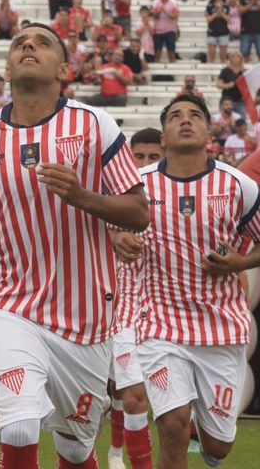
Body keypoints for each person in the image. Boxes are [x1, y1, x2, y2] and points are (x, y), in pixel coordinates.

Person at [0, 24, 148, 469]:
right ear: (8, 70)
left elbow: (139, 212)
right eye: (20, 43)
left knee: (76, 449)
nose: (29, 45)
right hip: (11, 304)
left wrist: (82, 196)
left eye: (42, 43)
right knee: (18, 427)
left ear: (64, 70)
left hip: (85, 315)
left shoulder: (94, 125)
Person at [121, 95, 260, 466]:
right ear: (163, 135)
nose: (185, 120)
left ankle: (211, 440)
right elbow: (107, 225)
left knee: (218, 445)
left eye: (195, 115)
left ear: (209, 133)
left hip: (220, 329)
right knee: (173, 426)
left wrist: (240, 262)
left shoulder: (238, 184)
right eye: (175, 116)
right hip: (160, 326)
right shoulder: (137, 185)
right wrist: (119, 237)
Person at [103, 129, 162, 469]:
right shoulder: (110, 196)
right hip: (119, 311)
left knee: (133, 395)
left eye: (153, 157)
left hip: (164, 313)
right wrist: (113, 236)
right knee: (128, 394)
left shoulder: (174, 197)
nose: (145, 164)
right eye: (139, 157)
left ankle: (118, 452)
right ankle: (116, 453)